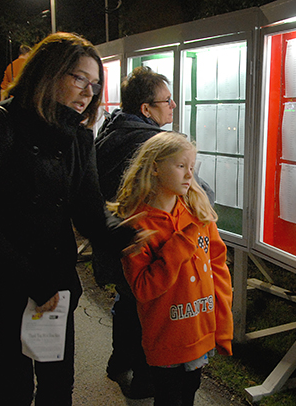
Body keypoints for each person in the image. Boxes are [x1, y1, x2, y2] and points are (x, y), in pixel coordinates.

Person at [0, 32, 146, 406]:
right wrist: (28, 278)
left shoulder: (79, 138)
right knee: (15, 388)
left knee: (57, 387)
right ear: (47, 72)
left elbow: (89, 210)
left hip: (51, 288)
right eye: (79, 78)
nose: (88, 92)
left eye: (95, 84)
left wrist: (134, 233)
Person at [94, 65, 214, 399]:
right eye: (166, 100)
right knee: (147, 313)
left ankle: (120, 361)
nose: (173, 106)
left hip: (117, 244)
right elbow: (199, 195)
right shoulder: (153, 144)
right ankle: (146, 380)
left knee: (127, 302)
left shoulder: (110, 132)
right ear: (146, 109)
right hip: (149, 246)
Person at [113, 131, 233, 406]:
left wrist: (223, 326)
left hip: (200, 332)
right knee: (168, 398)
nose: (189, 175)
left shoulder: (198, 213)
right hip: (165, 340)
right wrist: (179, 244)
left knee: (190, 390)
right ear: (154, 167)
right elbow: (143, 288)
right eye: (181, 166)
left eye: (191, 167)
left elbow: (219, 269)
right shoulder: (136, 225)